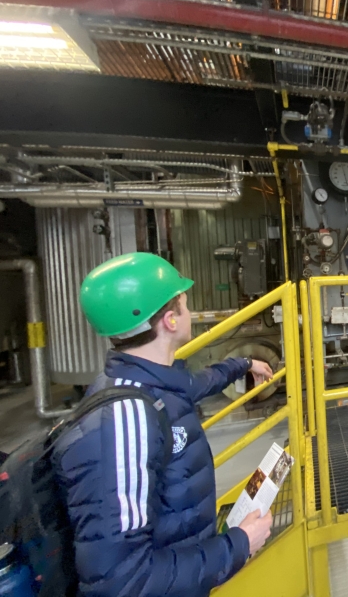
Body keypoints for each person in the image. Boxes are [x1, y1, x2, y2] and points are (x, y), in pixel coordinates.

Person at [52, 252, 276, 596]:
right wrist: (237, 546)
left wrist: (245, 364)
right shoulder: (124, 424)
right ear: (171, 321)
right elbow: (123, 582)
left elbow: (196, 383)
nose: (191, 312)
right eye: (185, 304)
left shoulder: (149, 381)